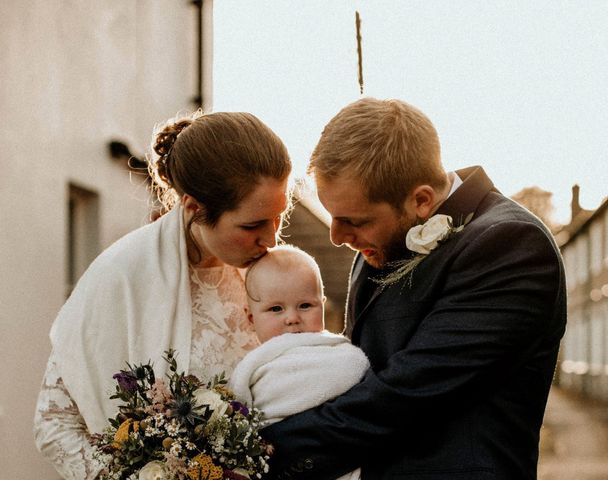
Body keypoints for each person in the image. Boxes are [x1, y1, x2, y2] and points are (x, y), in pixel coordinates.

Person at [261, 98, 567, 480]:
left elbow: (406, 392)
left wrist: (258, 452)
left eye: (352, 220)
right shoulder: (379, 244)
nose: (337, 237)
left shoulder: (510, 243)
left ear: (421, 200)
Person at [33, 110, 292, 480]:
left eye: (278, 217)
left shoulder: (276, 274)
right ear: (193, 207)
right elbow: (54, 423)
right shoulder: (119, 277)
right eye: (252, 225)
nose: (271, 239)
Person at [229, 244, 369, 480]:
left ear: (322, 305)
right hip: (283, 460)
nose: (292, 318)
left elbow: (356, 370)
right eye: (276, 309)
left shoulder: (339, 351)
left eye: (305, 305)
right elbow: (239, 408)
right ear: (251, 318)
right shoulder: (252, 366)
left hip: (344, 456)